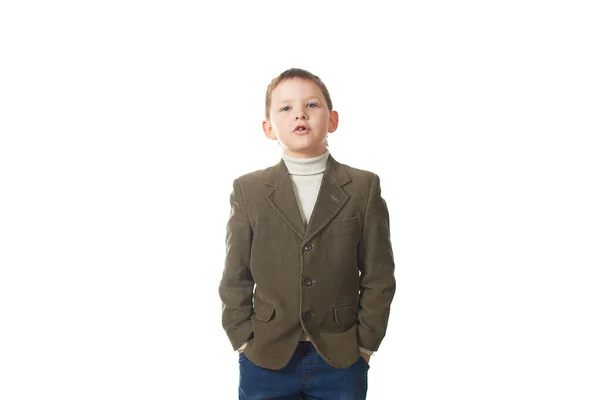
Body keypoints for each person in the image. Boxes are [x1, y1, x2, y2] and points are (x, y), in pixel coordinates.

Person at [218, 68, 396, 399]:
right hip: (266, 358)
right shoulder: (249, 190)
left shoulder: (362, 187)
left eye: (312, 105)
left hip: (341, 357)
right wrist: (242, 339)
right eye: (285, 108)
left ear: (333, 120)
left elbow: (379, 275)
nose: (299, 113)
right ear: (269, 128)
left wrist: (366, 343)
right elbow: (235, 276)